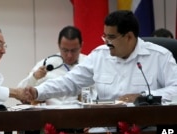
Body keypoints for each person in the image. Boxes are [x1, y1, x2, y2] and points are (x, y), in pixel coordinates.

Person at [23, 10, 177, 106]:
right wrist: (38, 92)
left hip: (146, 127)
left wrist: (144, 97)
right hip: (106, 125)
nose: (106, 42)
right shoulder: (99, 56)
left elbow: (175, 90)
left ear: (129, 37)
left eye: (111, 37)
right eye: (105, 36)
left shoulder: (160, 57)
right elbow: (70, 82)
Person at [17, 25, 87, 105]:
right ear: (58, 45)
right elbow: (20, 91)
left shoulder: (89, 64)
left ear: (81, 46)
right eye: (65, 50)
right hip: (51, 114)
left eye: (74, 50)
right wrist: (34, 77)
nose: (69, 55)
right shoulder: (47, 64)